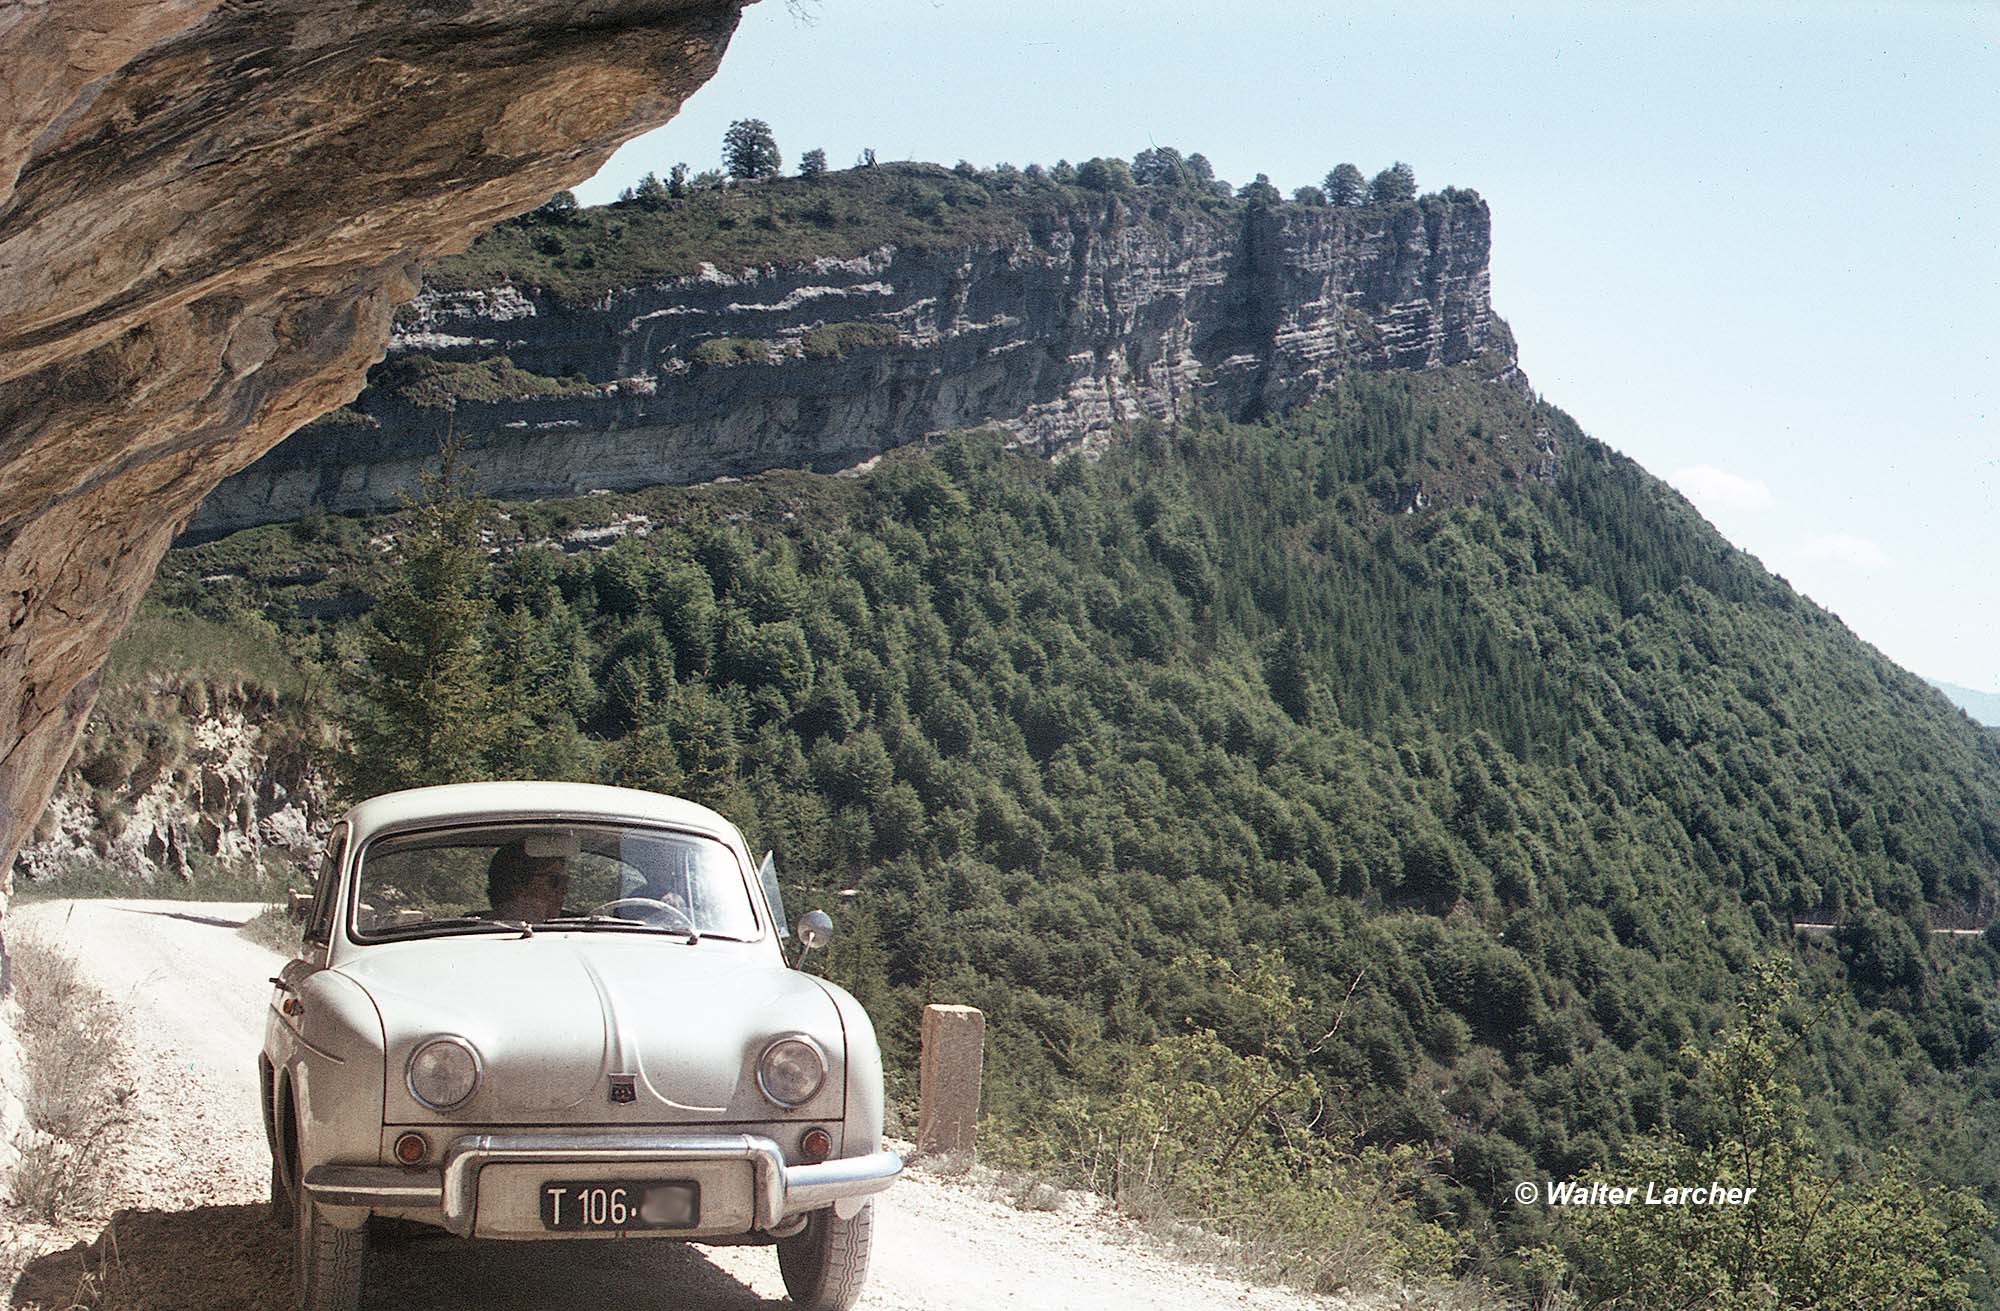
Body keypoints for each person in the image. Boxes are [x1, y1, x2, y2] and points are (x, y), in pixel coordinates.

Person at [486, 840, 571, 921]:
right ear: (517, 886)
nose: (564, 891)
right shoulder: (485, 932)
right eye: (554, 881)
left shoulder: (574, 929)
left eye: (565, 882)